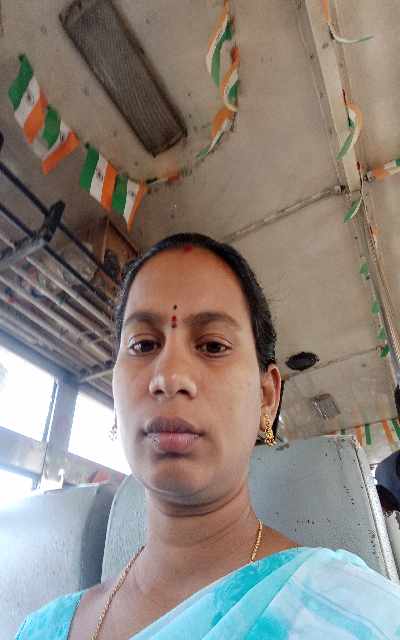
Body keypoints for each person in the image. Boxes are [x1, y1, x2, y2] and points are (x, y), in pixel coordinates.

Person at [15, 233, 400, 639]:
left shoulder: (357, 616)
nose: (168, 377)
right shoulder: (41, 630)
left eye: (213, 346)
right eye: (143, 344)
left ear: (267, 397)